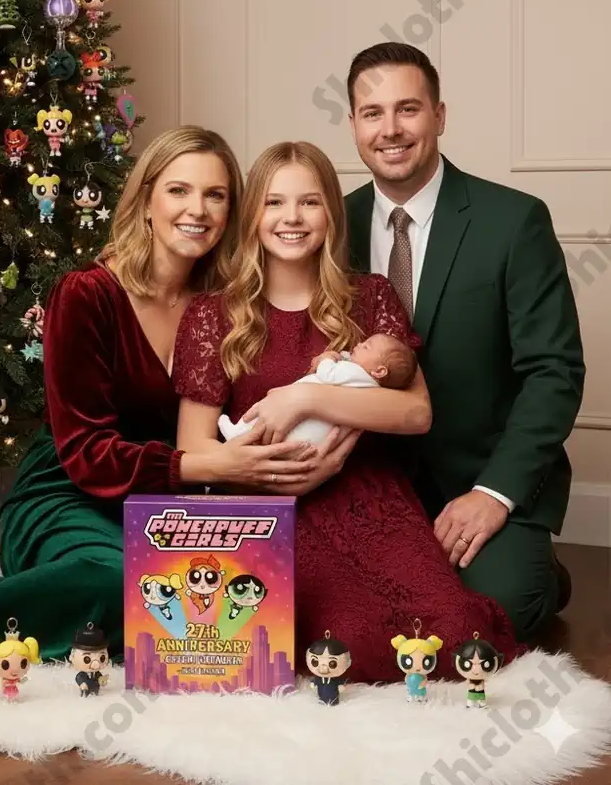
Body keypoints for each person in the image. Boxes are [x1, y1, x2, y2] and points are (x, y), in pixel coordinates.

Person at [0, 125, 267, 656]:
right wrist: (209, 467)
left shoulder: (225, 305)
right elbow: (87, 455)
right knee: (121, 585)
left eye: (216, 195)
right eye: (179, 190)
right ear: (145, 202)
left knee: (200, 607)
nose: (198, 210)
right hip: (67, 493)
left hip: (167, 507)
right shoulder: (87, 294)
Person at [174, 140, 521, 682]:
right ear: (253, 216)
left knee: (448, 637)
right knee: (329, 644)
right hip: (264, 508)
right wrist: (268, 475)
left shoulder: (370, 297)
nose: (292, 218)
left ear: (331, 213)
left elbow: (416, 413)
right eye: (274, 203)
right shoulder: (212, 315)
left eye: (309, 202)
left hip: (368, 498)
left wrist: (306, 396)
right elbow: (193, 448)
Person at [341, 41, 584, 639]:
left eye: (408, 109)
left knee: (489, 620)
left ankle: (538, 568)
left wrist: (494, 494)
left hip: (476, 479)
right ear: (353, 125)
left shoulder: (513, 221)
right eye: (372, 113)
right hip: (367, 486)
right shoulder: (327, 225)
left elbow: (553, 371)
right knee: (337, 622)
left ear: (440, 116)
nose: (390, 129)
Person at [219, 332, 417, 444]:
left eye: (367, 347)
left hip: (307, 419)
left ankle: (238, 433)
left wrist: (326, 359)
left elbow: (328, 375)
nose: (359, 344)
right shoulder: (366, 383)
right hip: (314, 431)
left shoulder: (356, 374)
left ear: (380, 371)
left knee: (265, 420)